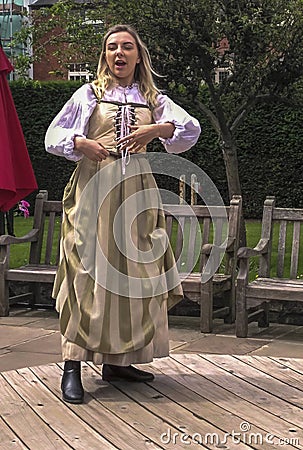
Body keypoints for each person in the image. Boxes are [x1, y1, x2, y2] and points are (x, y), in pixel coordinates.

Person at [45, 24, 201, 404]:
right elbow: (53, 135)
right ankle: (72, 363)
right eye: (112, 47)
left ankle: (118, 361)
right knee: (86, 274)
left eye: (126, 47)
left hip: (136, 195)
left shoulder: (153, 97)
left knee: (135, 276)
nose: (119, 53)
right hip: (93, 191)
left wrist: (157, 129)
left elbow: (188, 130)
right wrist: (80, 142)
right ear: (105, 55)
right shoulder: (88, 93)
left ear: (137, 54)